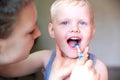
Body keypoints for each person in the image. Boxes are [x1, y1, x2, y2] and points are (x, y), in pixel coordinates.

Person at [0, 0, 108, 80]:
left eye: (82, 23)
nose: (75, 29)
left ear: (92, 31)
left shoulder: (98, 68)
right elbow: (6, 70)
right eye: (65, 22)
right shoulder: (45, 58)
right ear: (52, 30)